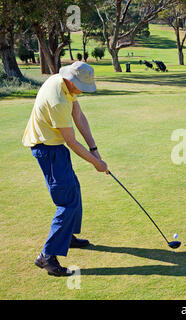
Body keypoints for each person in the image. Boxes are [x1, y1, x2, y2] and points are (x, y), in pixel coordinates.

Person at [22, 61, 108, 276]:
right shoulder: (58, 99)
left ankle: (66, 237)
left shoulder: (64, 84)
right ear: (71, 80)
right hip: (47, 149)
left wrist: (94, 148)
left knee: (73, 189)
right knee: (67, 202)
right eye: (80, 86)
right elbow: (71, 141)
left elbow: (78, 116)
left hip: (54, 147)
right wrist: (96, 163)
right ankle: (47, 256)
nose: (81, 91)